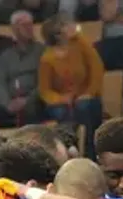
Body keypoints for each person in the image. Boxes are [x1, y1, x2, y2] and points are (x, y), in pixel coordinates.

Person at [38, 16, 104, 155]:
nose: (69, 29)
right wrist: (62, 99)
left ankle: (89, 153)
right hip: (61, 102)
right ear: (56, 34)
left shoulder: (80, 45)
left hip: (87, 96)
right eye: (64, 27)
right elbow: (45, 90)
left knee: (84, 106)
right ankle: (70, 149)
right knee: (61, 112)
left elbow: (97, 68)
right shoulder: (47, 59)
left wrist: (90, 92)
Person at [0, 10, 45, 126]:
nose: (29, 28)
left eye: (30, 25)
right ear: (14, 28)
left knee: (30, 109)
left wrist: (27, 100)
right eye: (24, 25)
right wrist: (7, 103)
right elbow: (0, 82)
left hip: (34, 99)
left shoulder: (41, 51)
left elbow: (44, 81)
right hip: (11, 101)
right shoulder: (6, 56)